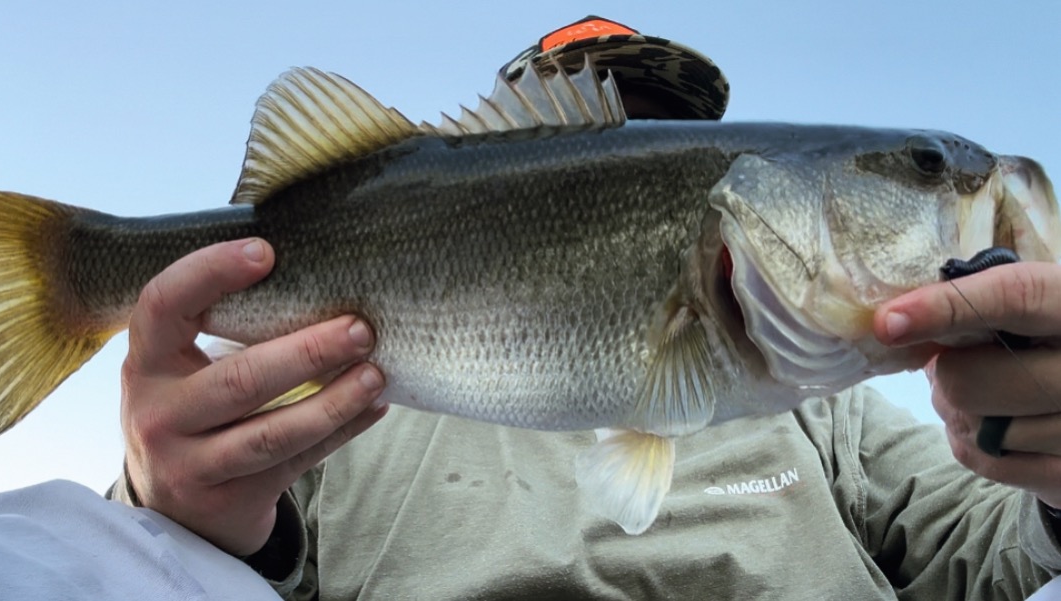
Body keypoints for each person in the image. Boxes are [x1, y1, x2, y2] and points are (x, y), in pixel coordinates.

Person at [107, 17, 1061, 601]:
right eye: (589, 116)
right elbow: (185, 576)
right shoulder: (315, 410)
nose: (626, 141)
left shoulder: (829, 407)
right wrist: (169, 505)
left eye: (661, 135)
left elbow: (997, 564)